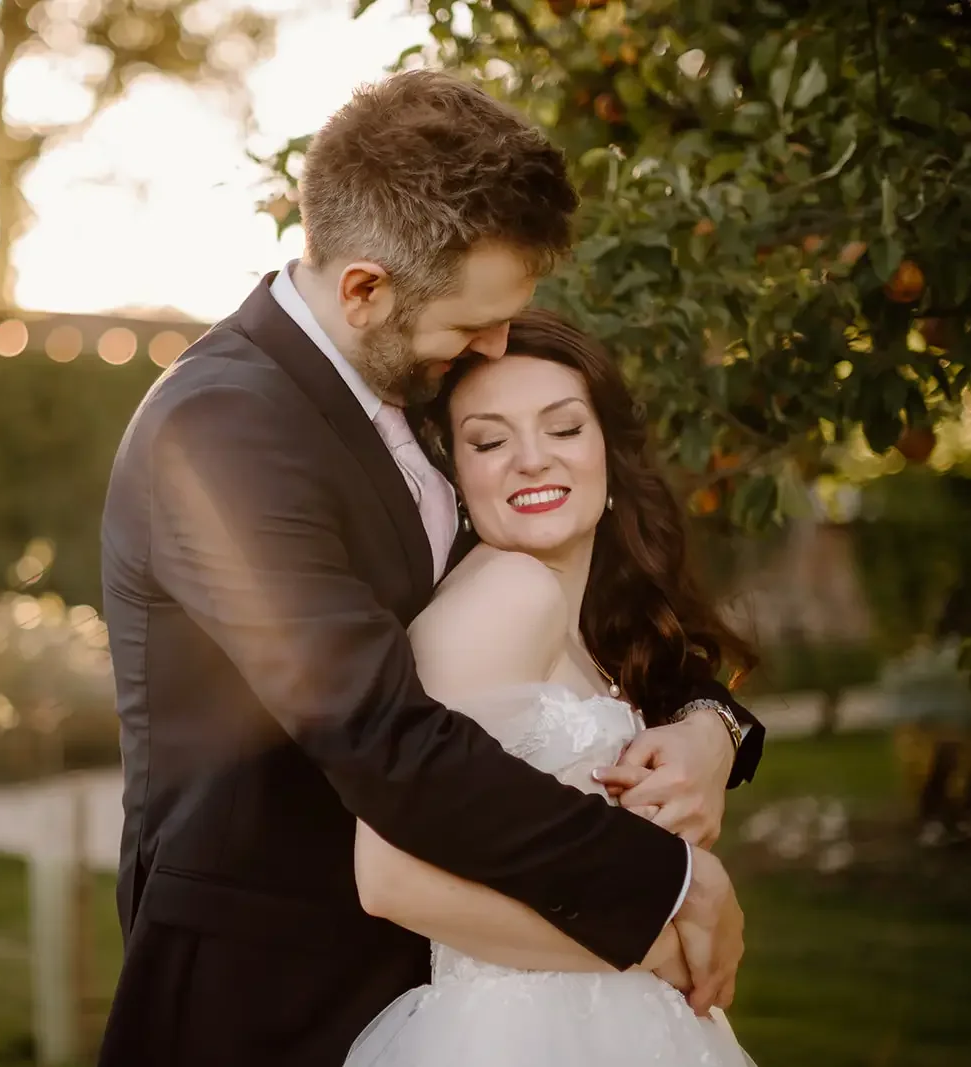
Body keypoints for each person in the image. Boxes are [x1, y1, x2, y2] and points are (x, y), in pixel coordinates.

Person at [96, 69, 765, 1067]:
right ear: (364, 288)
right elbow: (379, 730)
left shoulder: (413, 381)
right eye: (471, 322)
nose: (493, 345)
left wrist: (713, 728)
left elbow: (592, 620)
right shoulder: (221, 428)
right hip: (269, 990)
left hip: (441, 976)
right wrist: (665, 879)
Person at [343, 309, 758, 1066]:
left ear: (607, 450)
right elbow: (391, 877)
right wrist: (649, 950)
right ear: (457, 471)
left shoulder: (583, 618)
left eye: (563, 428)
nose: (531, 460)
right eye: (490, 440)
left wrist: (712, 729)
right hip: (524, 1032)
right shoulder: (507, 598)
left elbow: (696, 691)